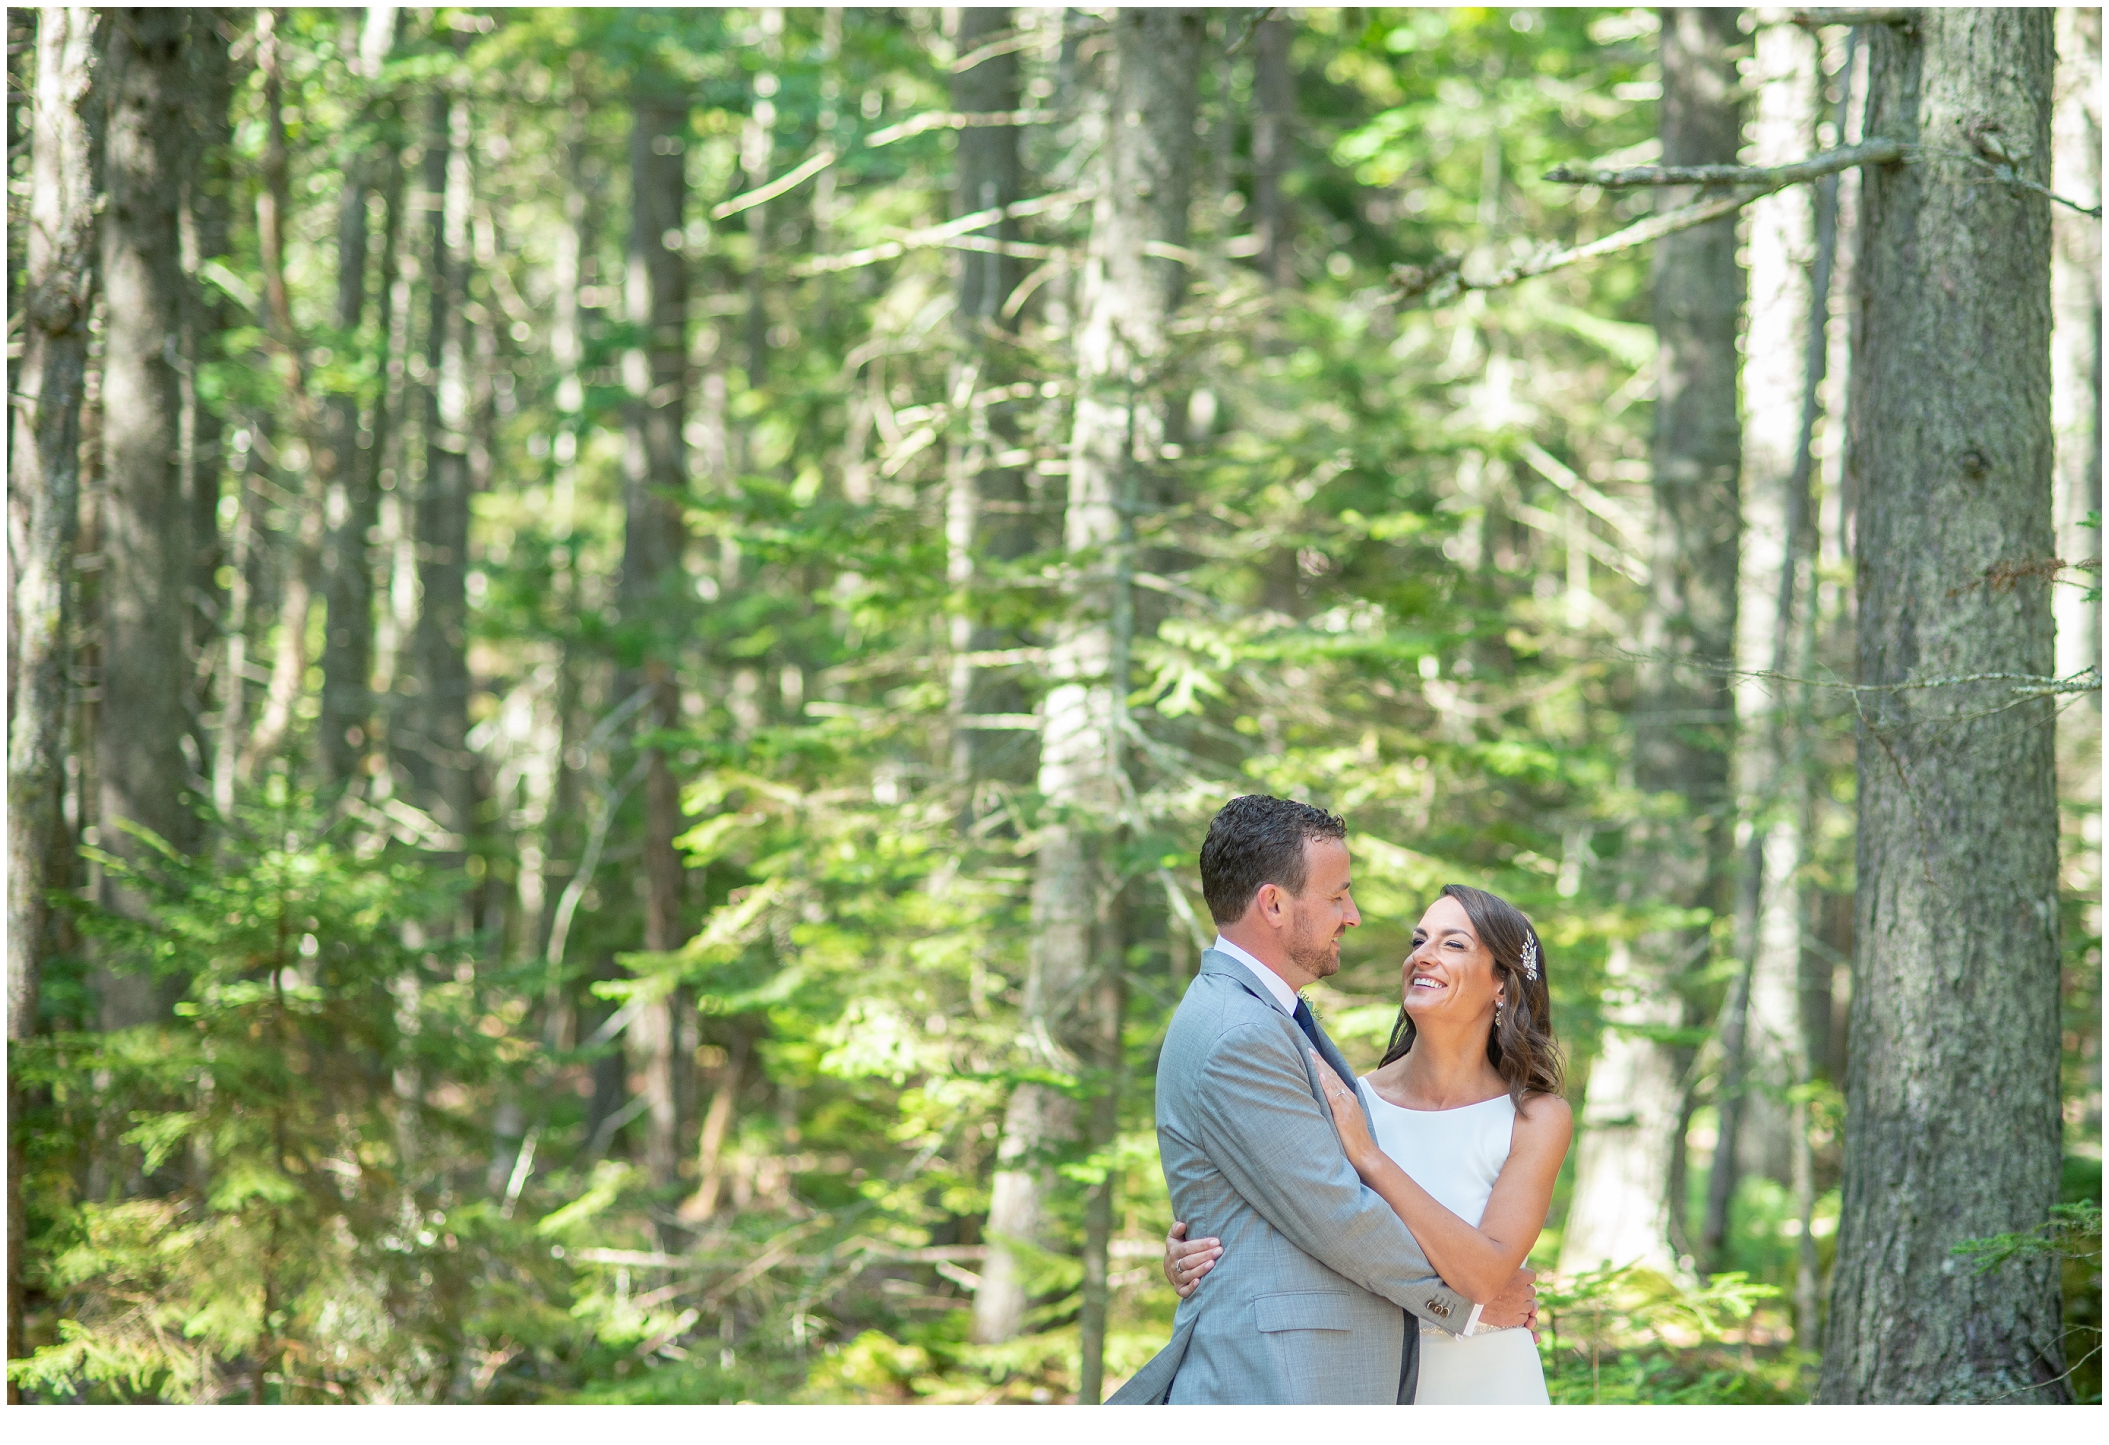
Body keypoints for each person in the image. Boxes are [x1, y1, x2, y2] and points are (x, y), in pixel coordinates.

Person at [1108, 795, 1538, 1405]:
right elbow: (1336, 1211)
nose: (1354, 915)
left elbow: (1275, 1192)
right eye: (1337, 896)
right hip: (1287, 1374)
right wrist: (1473, 1302)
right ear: (1275, 904)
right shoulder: (1243, 1032)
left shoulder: (1268, 1017)